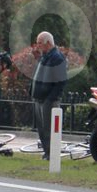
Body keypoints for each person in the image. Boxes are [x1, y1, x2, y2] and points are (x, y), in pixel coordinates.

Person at [31, 32, 68, 161]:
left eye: (40, 43)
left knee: (49, 129)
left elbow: (61, 82)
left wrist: (51, 98)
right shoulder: (44, 57)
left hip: (48, 99)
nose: (38, 46)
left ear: (48, 43)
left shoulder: (57, 58)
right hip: (39, 98)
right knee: (42, 129)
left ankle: (52, 154)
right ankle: (47, 153)